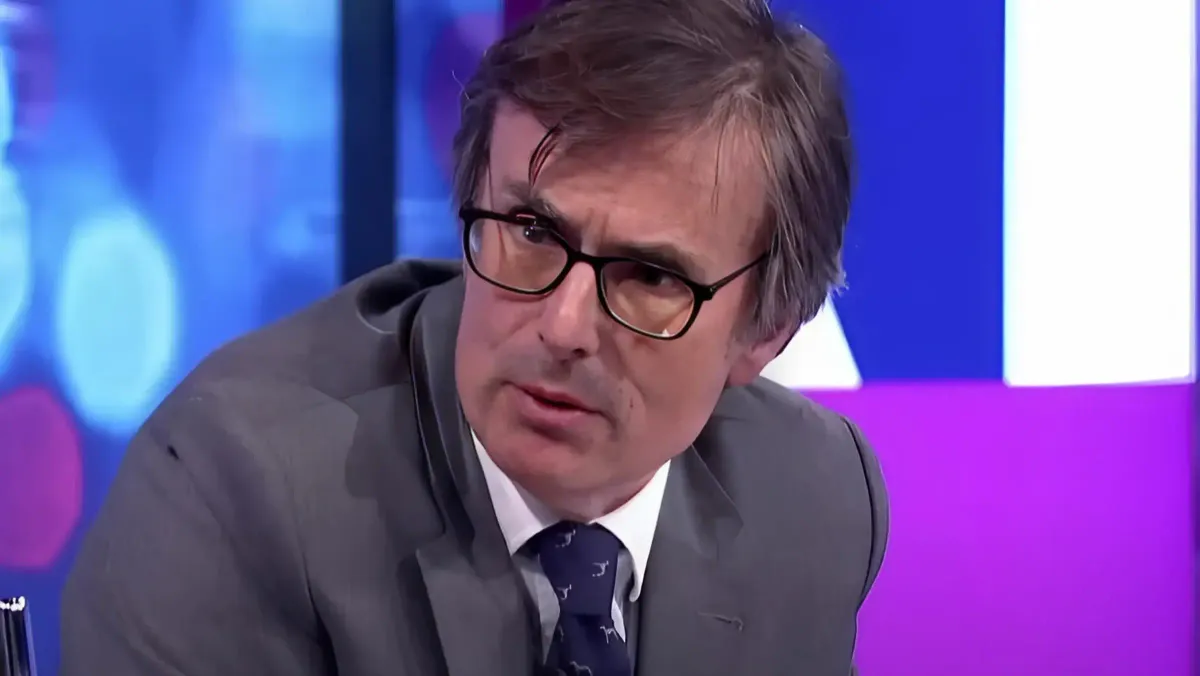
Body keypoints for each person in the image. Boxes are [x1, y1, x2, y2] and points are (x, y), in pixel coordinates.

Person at [61, 0, 888, 674]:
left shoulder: (811, 501)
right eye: (531, 231)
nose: (563, 326)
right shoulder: (234, 490)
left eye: (649, 276)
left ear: (766, 333)